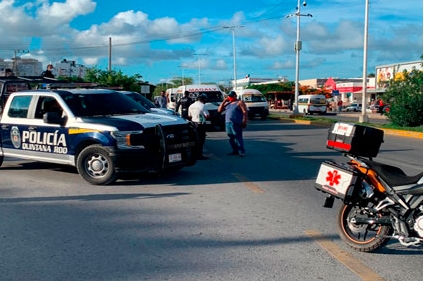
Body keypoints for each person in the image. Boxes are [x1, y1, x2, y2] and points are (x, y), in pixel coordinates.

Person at [218, 91, 248, 157]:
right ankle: (235, 150)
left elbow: (244, 111)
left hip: (236, 122)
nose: (230, 98)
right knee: (231, 138)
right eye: (229, 97)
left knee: (238, 137)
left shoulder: (239, 102)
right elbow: (219, 110)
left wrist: (244, 120)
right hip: (228, 122)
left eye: (231, 96)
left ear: (235, 96)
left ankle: (241, 151)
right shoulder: (228, 103)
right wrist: (224, 101)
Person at [188, 94, 210, 160]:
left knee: (194, 139)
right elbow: (207, 116)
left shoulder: (191, 106)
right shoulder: (202, 106)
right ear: (203, 99)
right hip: (201, 124)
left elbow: (189, 116)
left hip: (193, 124)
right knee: (201, 140)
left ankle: (194, 154)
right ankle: (199, 155)